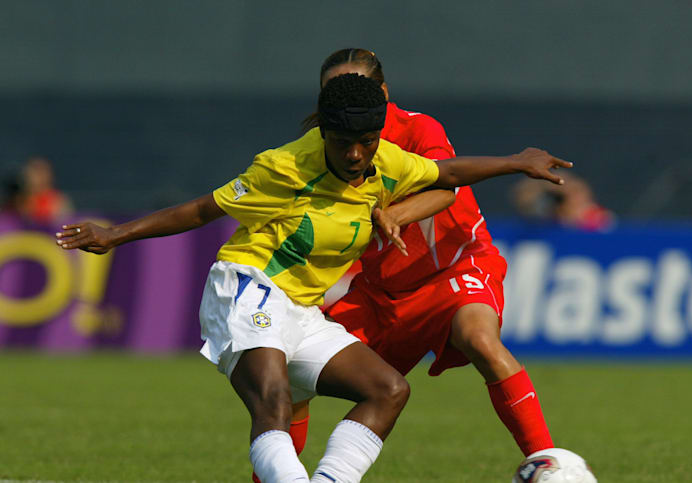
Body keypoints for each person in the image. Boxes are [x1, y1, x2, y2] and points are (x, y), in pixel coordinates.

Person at [56, 73, 569, 482]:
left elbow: (448, 175)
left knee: (388, 390)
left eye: (366, 142)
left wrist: (515, 162)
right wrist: (116, 234)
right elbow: (198, 211)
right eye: (344, 142)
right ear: (323, 132)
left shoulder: (387, 162)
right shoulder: (282, 168)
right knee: (274, 400)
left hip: (301, 309)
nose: (354, 155)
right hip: (245, 286)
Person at [279, 48, 558, 473]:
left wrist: (393, 214)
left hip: (455, 268)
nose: (349, 98)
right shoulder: (322, 150)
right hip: (382, 294)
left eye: (361, 87)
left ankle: (549, 467)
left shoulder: (416, 128)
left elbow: (446, 184)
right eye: (334, 91)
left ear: (384, 93)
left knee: (481, 341)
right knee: (291, 380)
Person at [20, 156, 73, 224]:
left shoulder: (58, 201)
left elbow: (64, 222)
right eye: (34, 171)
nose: (37, 176)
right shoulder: (17, 201)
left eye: (41, 171)